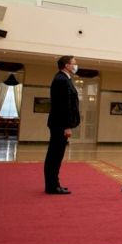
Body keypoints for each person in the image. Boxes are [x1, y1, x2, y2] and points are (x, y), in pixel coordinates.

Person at [44, 55, 80, 195]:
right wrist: (67, 126)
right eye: (74, 63)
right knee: (55, 156)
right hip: (60, 124)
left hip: (59, 123)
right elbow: (63, 106)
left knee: (56, 155)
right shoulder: (61, 80)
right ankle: (52, 186)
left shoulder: (64, 79)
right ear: (66, 65)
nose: (76, 66)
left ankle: (54, 184)